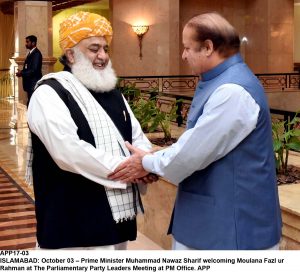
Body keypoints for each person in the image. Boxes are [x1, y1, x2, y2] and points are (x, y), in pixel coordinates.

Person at [109, 12, 282, 250]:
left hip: (230, 230)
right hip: (215, 220)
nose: (183, 55)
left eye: (188, 48)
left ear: (208, 47)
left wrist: (146, 162)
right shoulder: (222, 81)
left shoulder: (233, 91)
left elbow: (190, 155)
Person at [26, 11, 156, 250]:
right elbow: (69, 151)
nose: (103, 56)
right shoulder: (50, 92)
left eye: (105, 49)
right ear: (71, 54)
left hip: (115, 222)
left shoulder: (114, 94)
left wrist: (145, 160)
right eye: (94, 49)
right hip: (71, 224)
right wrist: (133, 169)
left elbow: (136, 136)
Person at [16, 35, 43, 105]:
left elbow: (34, 70)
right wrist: (21, 72)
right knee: (30, 103)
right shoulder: (31, 53)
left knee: (32, 104)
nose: (26, 44)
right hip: (29, 83)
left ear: (33, 43)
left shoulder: (36, 54)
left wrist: (21, 73)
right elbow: (28, 68)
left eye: (27, 42)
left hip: (33, 83)